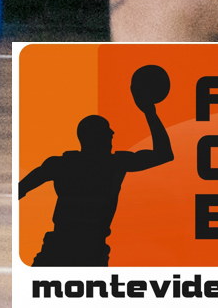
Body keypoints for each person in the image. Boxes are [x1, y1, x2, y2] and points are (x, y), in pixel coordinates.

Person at [18, 90, 174, 266]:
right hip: (86, 252)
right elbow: (163, 154)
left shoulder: (62, 164)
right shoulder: (115, 163)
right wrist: (149, 112)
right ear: (96, 137)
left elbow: (21, 188)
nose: (112, 133)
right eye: (107, 130)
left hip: (62, 249)